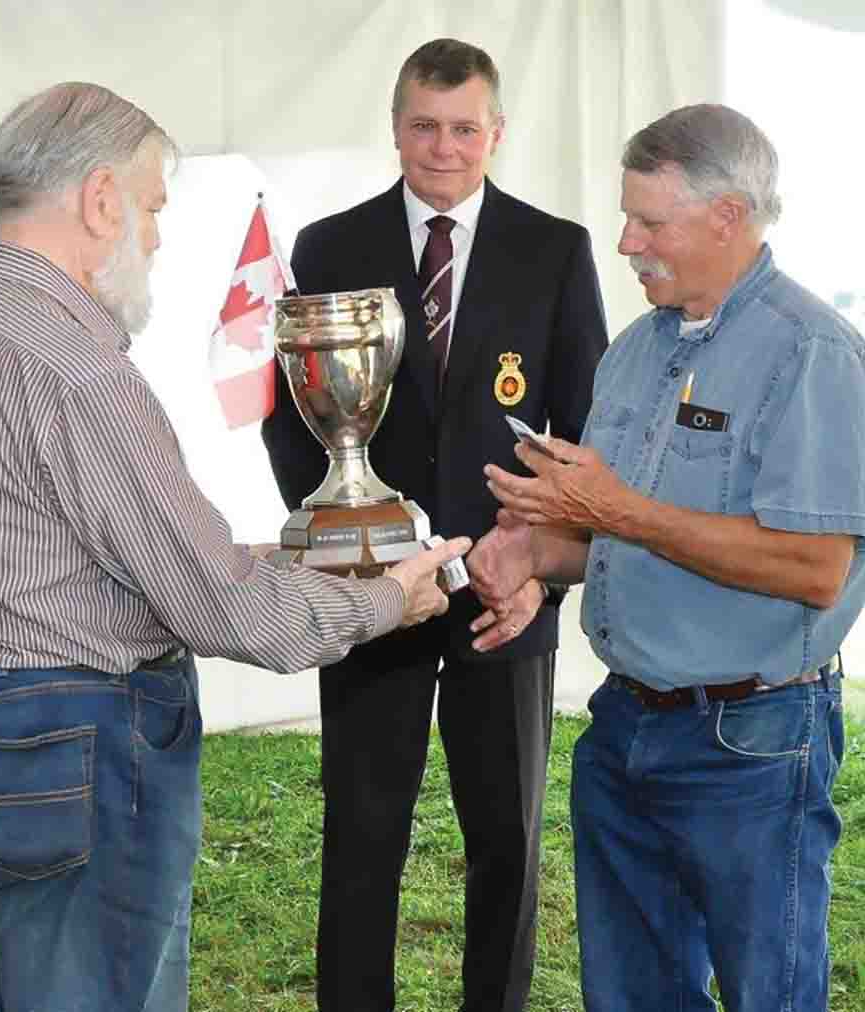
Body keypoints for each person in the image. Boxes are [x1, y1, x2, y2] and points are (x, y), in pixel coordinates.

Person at [0, 81, 468, 1012]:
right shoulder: (68, 362)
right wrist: (391, 598)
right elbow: (226, 612)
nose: (155, 237)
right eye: (150, 209)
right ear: (99, 199)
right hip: (62, 748)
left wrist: (265, 558)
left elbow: (44, 555)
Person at [468, 103, 865, 1012]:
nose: (625, 241)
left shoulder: (810, 353)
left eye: (650, 220)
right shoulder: (638, 350)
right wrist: (536, 553)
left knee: (766, 993)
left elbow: (817, 567)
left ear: (728, 216)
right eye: (628, 217)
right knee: (632, 995)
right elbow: (615, 532)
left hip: (750, 741)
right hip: (625, 728)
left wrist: (620, 510)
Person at [261, 38, 607, 1012]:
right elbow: (293, 416)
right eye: (424, 125)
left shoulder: (556, 249)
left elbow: (588, 438)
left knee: (507, 840)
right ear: (396, 126)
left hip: (507, 594)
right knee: (363, 834)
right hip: (376, 595)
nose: (443, 148)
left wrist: (541, 567)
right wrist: (346, 551)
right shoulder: (330, 247)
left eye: (464, 128)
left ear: (496, 131)